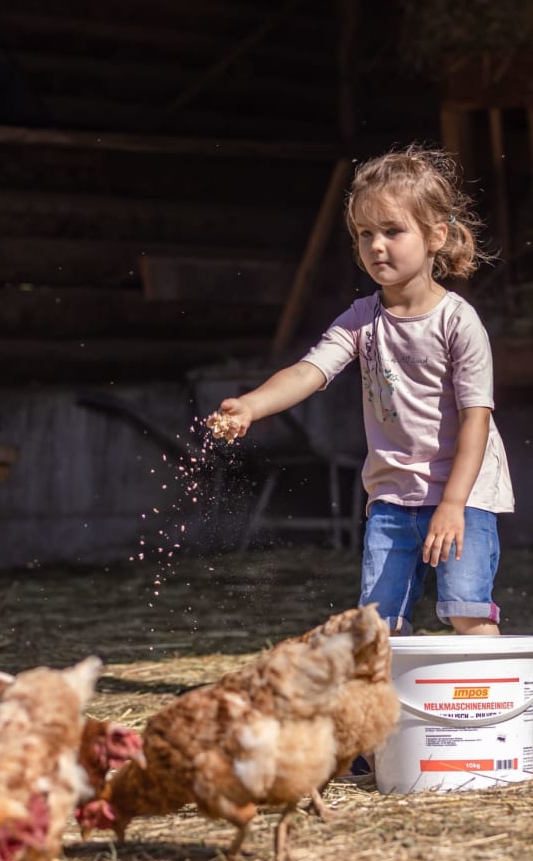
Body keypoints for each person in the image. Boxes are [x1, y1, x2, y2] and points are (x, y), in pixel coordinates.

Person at [217, 147, 514, 636]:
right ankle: (386, 691)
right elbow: (309, 370)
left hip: (464, 495)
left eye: (392, 231)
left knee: (466, 611)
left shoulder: (458, 322)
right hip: (392, 496)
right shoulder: (362, 319)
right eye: (365, 233)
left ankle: (493, 688)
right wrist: (252, 405)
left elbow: (476, 419)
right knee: (377, 626)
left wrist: (453, 504)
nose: (376, 246)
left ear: (436, 236)